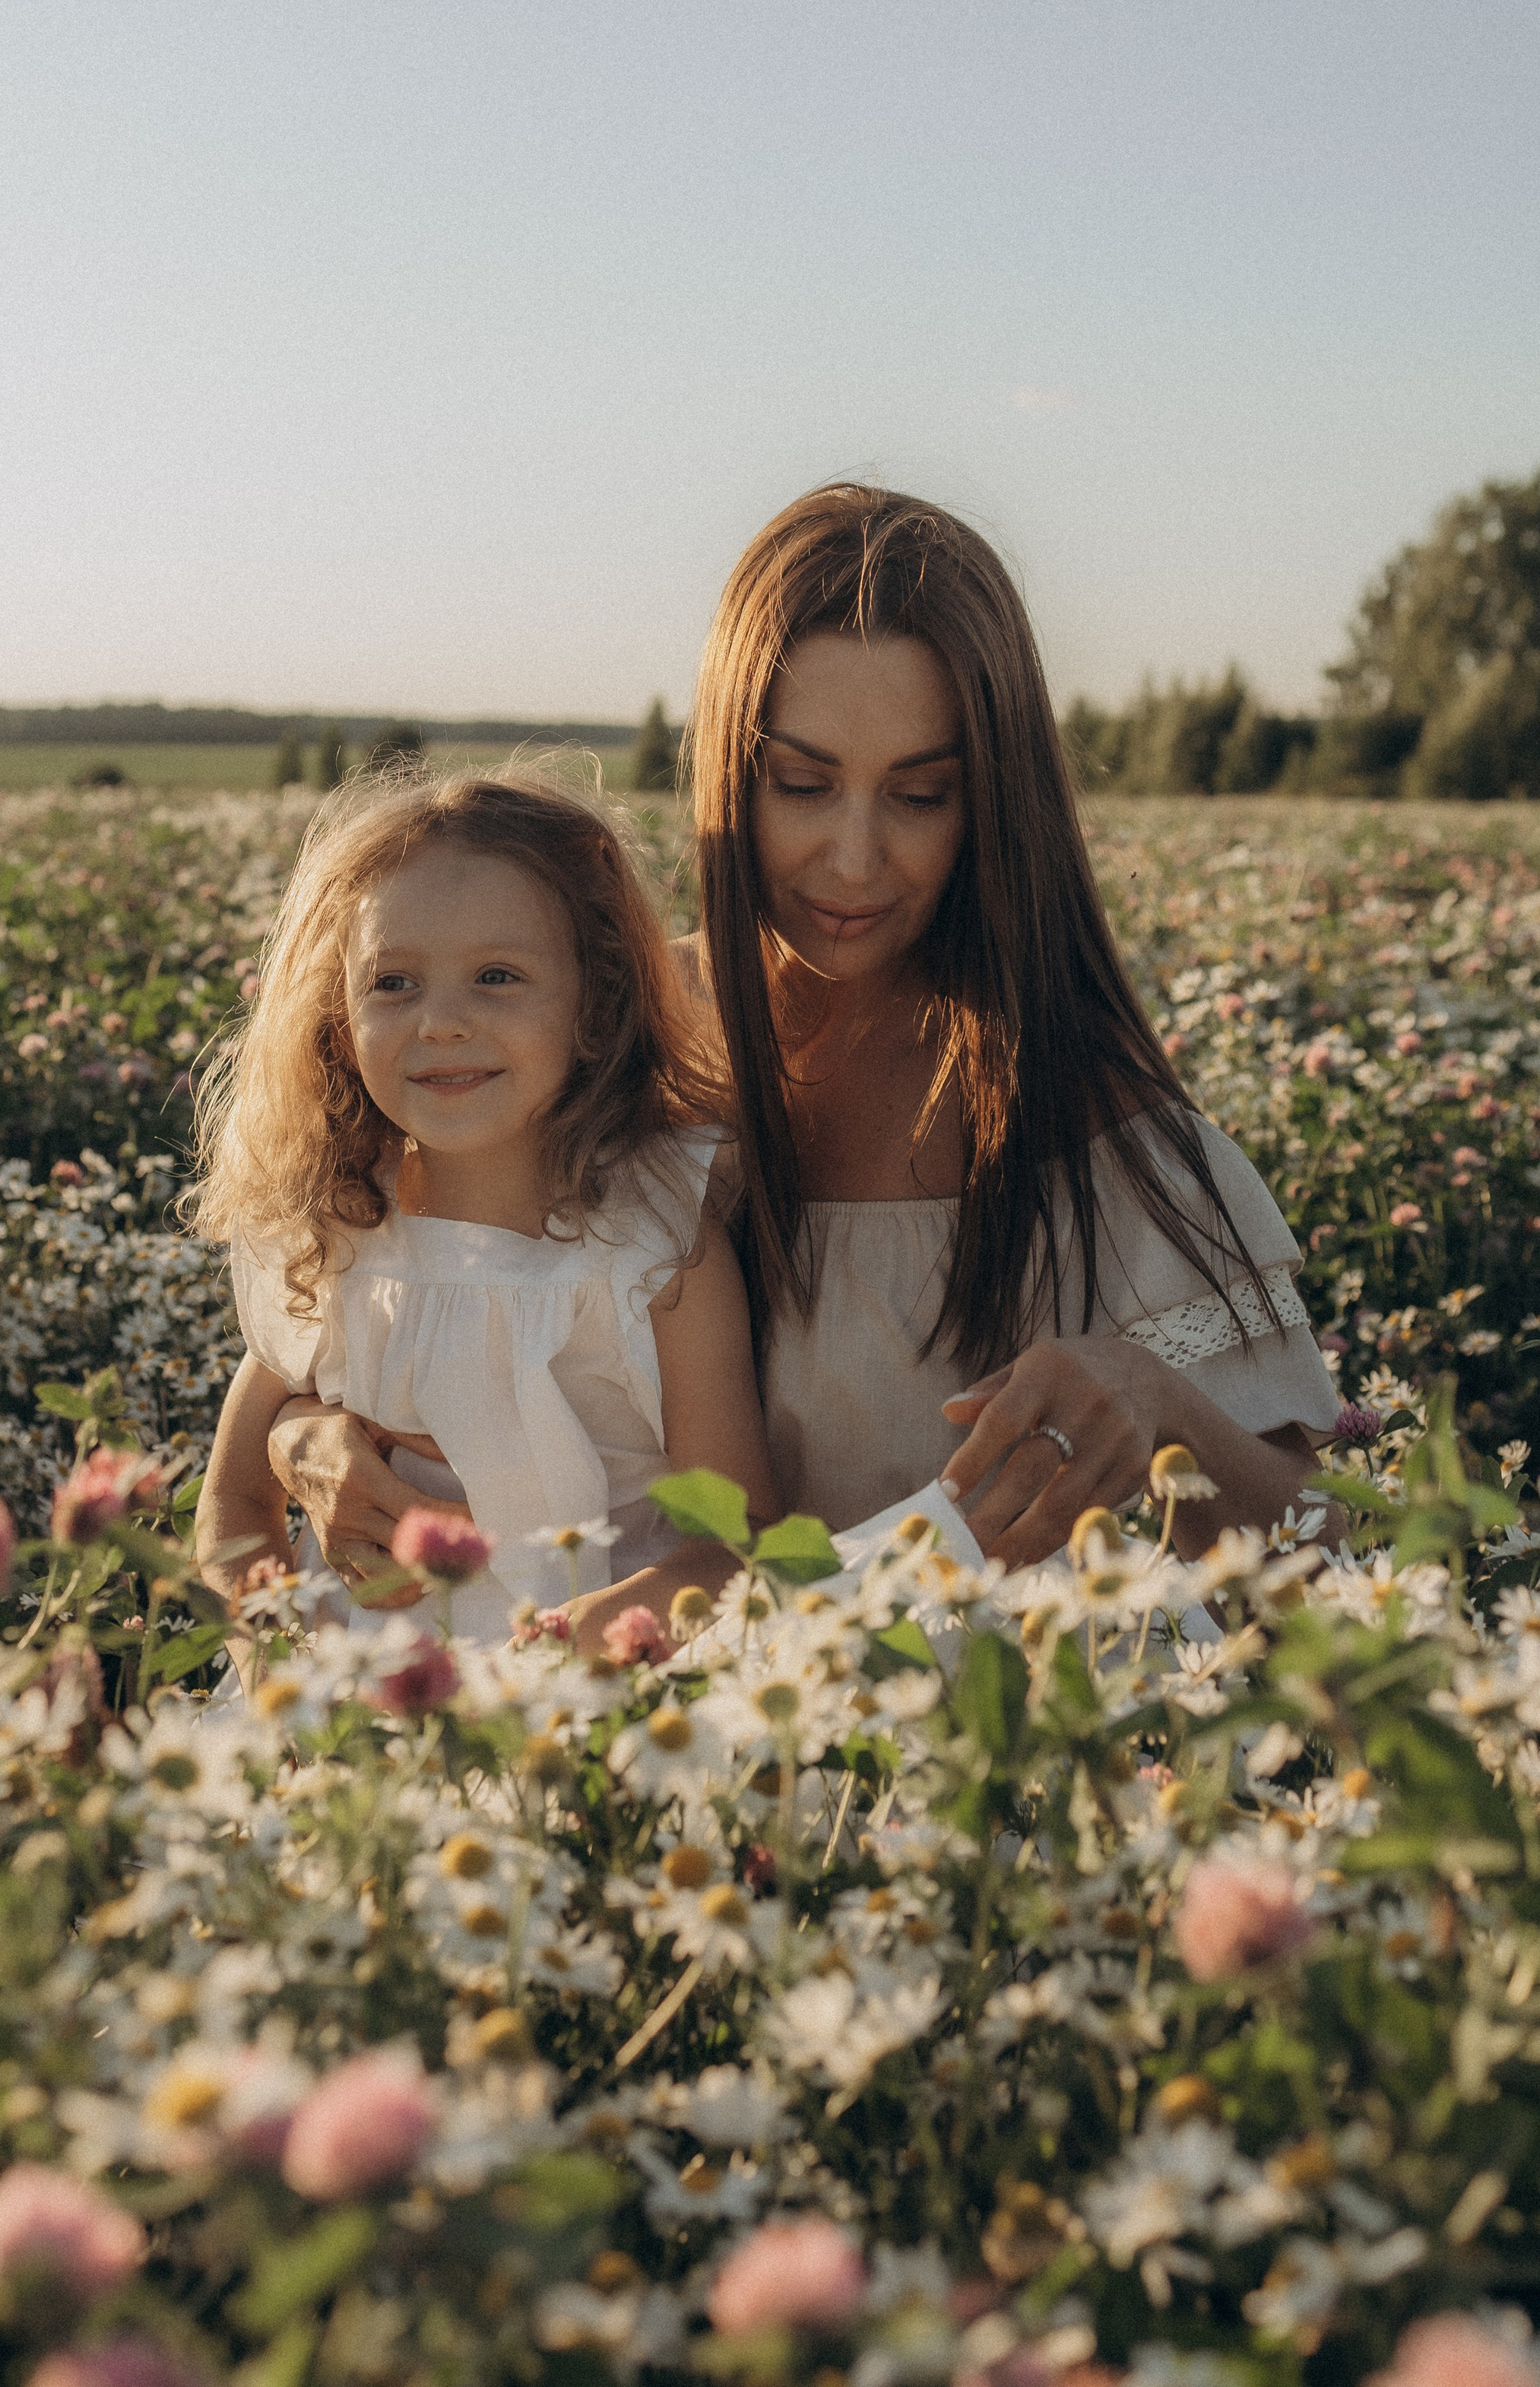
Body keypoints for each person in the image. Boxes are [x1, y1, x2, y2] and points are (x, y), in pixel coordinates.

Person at [268, 488, 1341, 1588]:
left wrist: (1160, 1410)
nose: (855, 858)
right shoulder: (594, 1043)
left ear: (995, 807)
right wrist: (301, 1435)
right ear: (730, 770)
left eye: (921, 795)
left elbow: (1337, 1560)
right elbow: (396, 1282)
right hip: (597, 1722)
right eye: (802, 784)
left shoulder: (1084, 1112)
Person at [189, 770, 779, 1644]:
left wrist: (580, 1645)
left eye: (497, 976)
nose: (442, 1022)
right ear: (337, 1017)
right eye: (393, 983)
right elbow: (233, 1503)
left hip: (583, 1715)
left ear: (596, 1003)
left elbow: (739, 1543)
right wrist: (273, 1666)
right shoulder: (335, 1230)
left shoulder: (656, 1252)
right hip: (353, 1725)